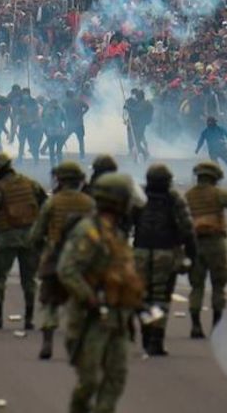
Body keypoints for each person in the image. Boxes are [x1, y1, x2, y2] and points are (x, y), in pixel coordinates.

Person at [58, 173, 144, 413]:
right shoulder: (88, 232)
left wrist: (136, 300)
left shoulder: (116, 234)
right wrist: (91, 299)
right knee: (90, 380)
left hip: (118, 318)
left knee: (116, 377)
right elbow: (68, 270)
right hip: (90, 319)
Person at [30, 160, 95, 360]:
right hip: (82, 259)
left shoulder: (52, 202)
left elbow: (35, 234)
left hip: (55, 256)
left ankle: (47, 342)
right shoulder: (89, 203)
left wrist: (44, 251)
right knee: (79, 302)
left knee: (49, 301)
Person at [132, 163, 196, 356]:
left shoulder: (139, 197)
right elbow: (187, 228)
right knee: (161, 297)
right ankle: (156, 339)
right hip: (165, 253)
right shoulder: (174, 198)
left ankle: (145, 332)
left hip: (140, 251)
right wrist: (192, 254)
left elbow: (127, 221)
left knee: (142, 295)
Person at [0, 153, 47, 330]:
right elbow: (44, 204)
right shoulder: (29, 183)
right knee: (29, 279)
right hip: (30, 236)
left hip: (8, 236)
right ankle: (28, 318)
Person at [184, 160, 227, 338]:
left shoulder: (188, 195)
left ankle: (195, 325)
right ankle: (216, 325)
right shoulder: (219, 193)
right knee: (219, 284)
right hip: (215, 242)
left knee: (196, 285)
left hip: (195, 244)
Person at [194, 116, 227, 183]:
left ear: (214, 122)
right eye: (208, 122)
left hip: (222, 150)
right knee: (215, 167)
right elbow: (201, 141)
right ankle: (217, 181)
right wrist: (197, 149)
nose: (209, 123)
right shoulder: (205, 132)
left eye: (211, 122)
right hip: (213, 152)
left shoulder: (219, 129)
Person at [124, 89, 154, 161]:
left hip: (140, 124)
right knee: (136, 140)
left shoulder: (144, 103)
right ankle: (142, 153)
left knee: (137, 141)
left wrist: (128, 108)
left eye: (138, 96)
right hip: (138, 123)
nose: (136, 97)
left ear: (140, 96)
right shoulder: (142, 103)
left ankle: (144, 153)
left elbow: (138, 111)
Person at [63, 89, 90, 158]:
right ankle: (82, 155)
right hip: (78, 124)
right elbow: (87, 107)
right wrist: (82, 113)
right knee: (81, 140)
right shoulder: (78, 101)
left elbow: (62, 111)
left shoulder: (66, 102)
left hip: (71, 124)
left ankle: (58, 152)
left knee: (64, 138)